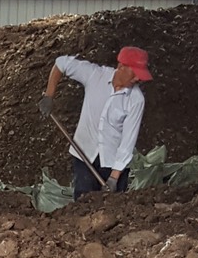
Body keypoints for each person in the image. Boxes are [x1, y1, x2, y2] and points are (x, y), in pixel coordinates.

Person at [40, 45, 152, 199]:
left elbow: (128, 142)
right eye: (135, 73)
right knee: (83, 206)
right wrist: (49, 96)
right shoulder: (95, 76)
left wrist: (114, 178)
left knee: (114, 212)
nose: (138, 79)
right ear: (121, 67)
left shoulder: (136, 99)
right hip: (84, 155)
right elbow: (61, 63)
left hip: (113, 164)